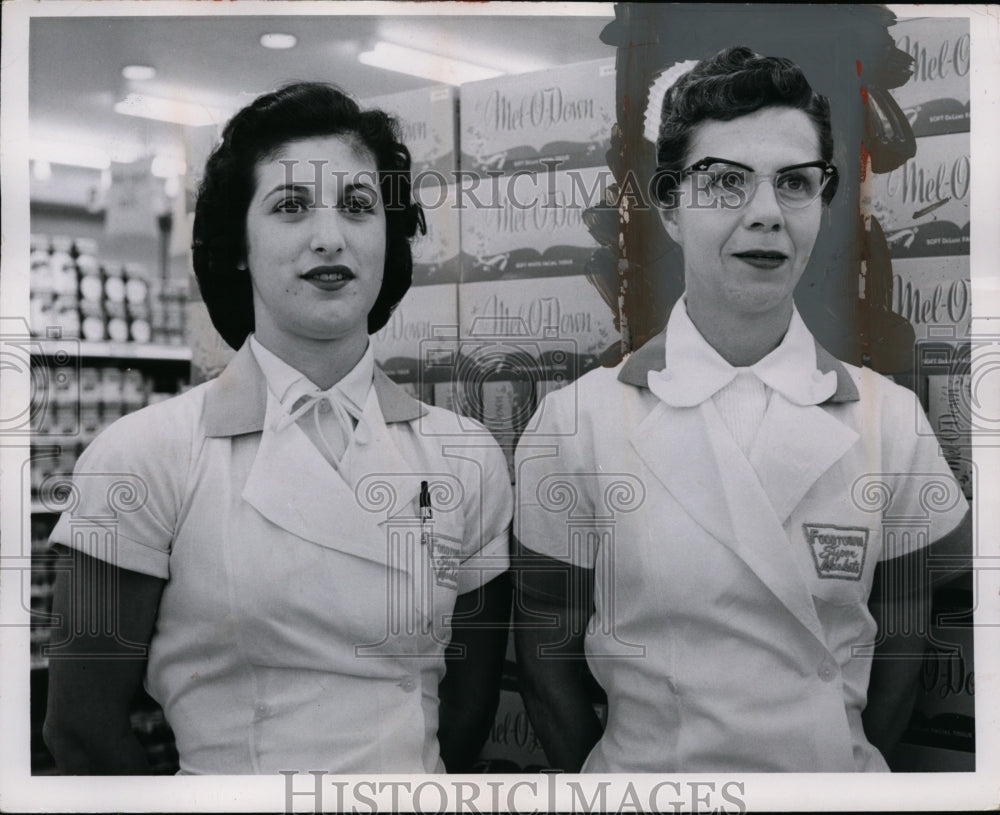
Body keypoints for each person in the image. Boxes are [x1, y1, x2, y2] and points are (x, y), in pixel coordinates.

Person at [514, 46, 971, 773]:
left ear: (824, 202)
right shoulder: (578, 423)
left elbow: (903, 645)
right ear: (668, 205)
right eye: (724, 182)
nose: (765, 214)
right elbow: (545, 661)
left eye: (795, 183)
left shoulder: (891, 420)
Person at [43, 82, 512, 775]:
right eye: (291, 206)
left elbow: (466, 711)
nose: (330, 236)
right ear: (238, 243)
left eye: (358, 206)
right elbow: (80, 729)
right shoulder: (144, 455)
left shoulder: (465, 455)